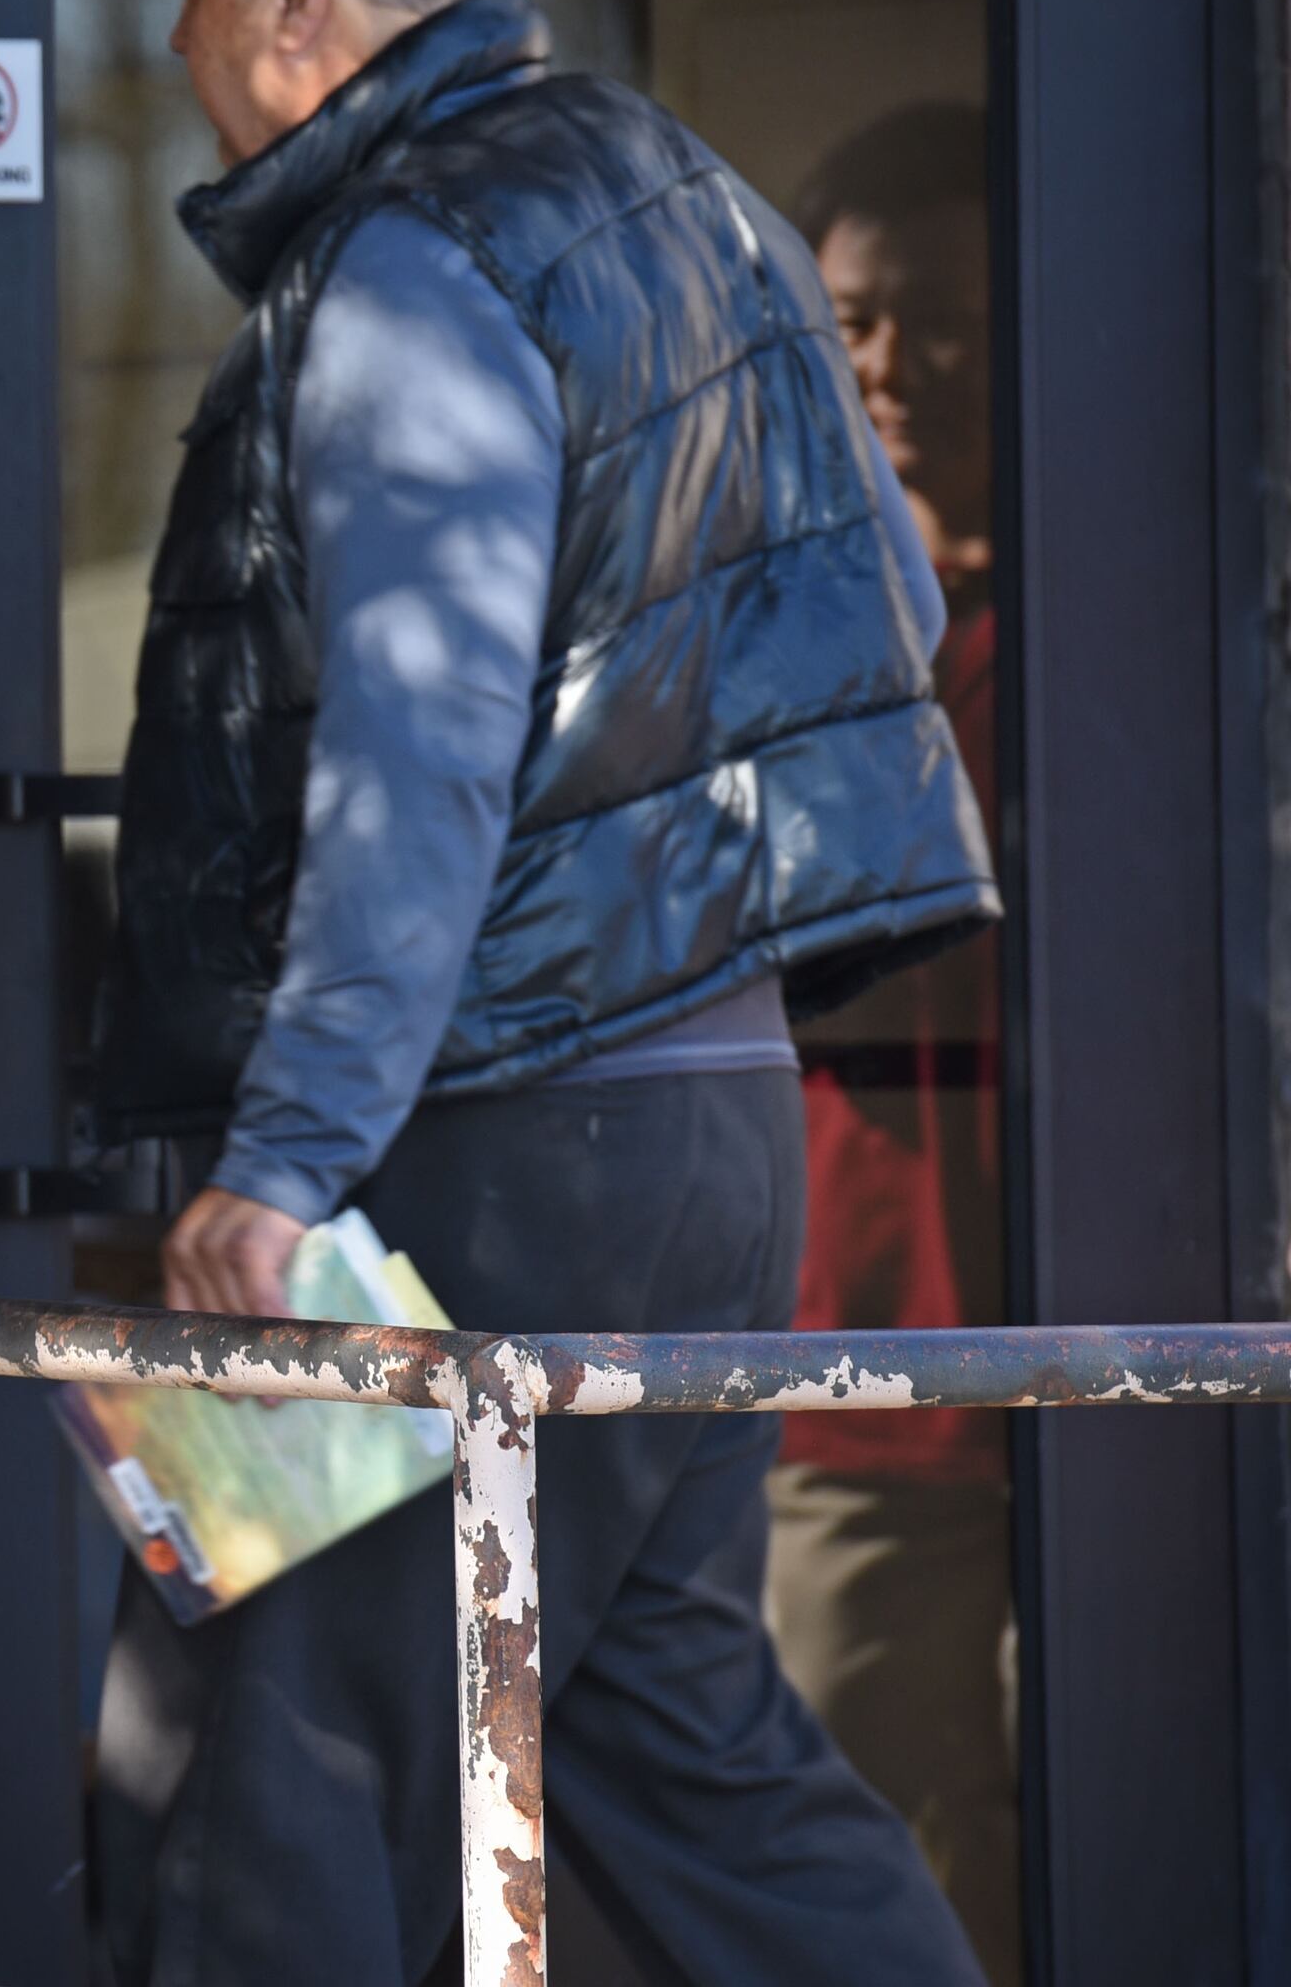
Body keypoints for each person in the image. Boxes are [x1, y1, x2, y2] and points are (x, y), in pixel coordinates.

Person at [86, 0, 1000, 1981]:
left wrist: (288, 1156)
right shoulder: (706, 208)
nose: (175, 23)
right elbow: (869, 589)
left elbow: (416, 742)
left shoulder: (414, 259)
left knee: (263, 1761)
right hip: (709, 1125)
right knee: (682, 1751)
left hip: (468, 1142)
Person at [771, 102, 1021, 1987]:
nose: (889, 366)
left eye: (935, 315)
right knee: (850, 1847)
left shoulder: (1146, 626)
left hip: (1130, 1361)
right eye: (852, 321)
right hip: (865, 1369)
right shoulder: (802, 634)